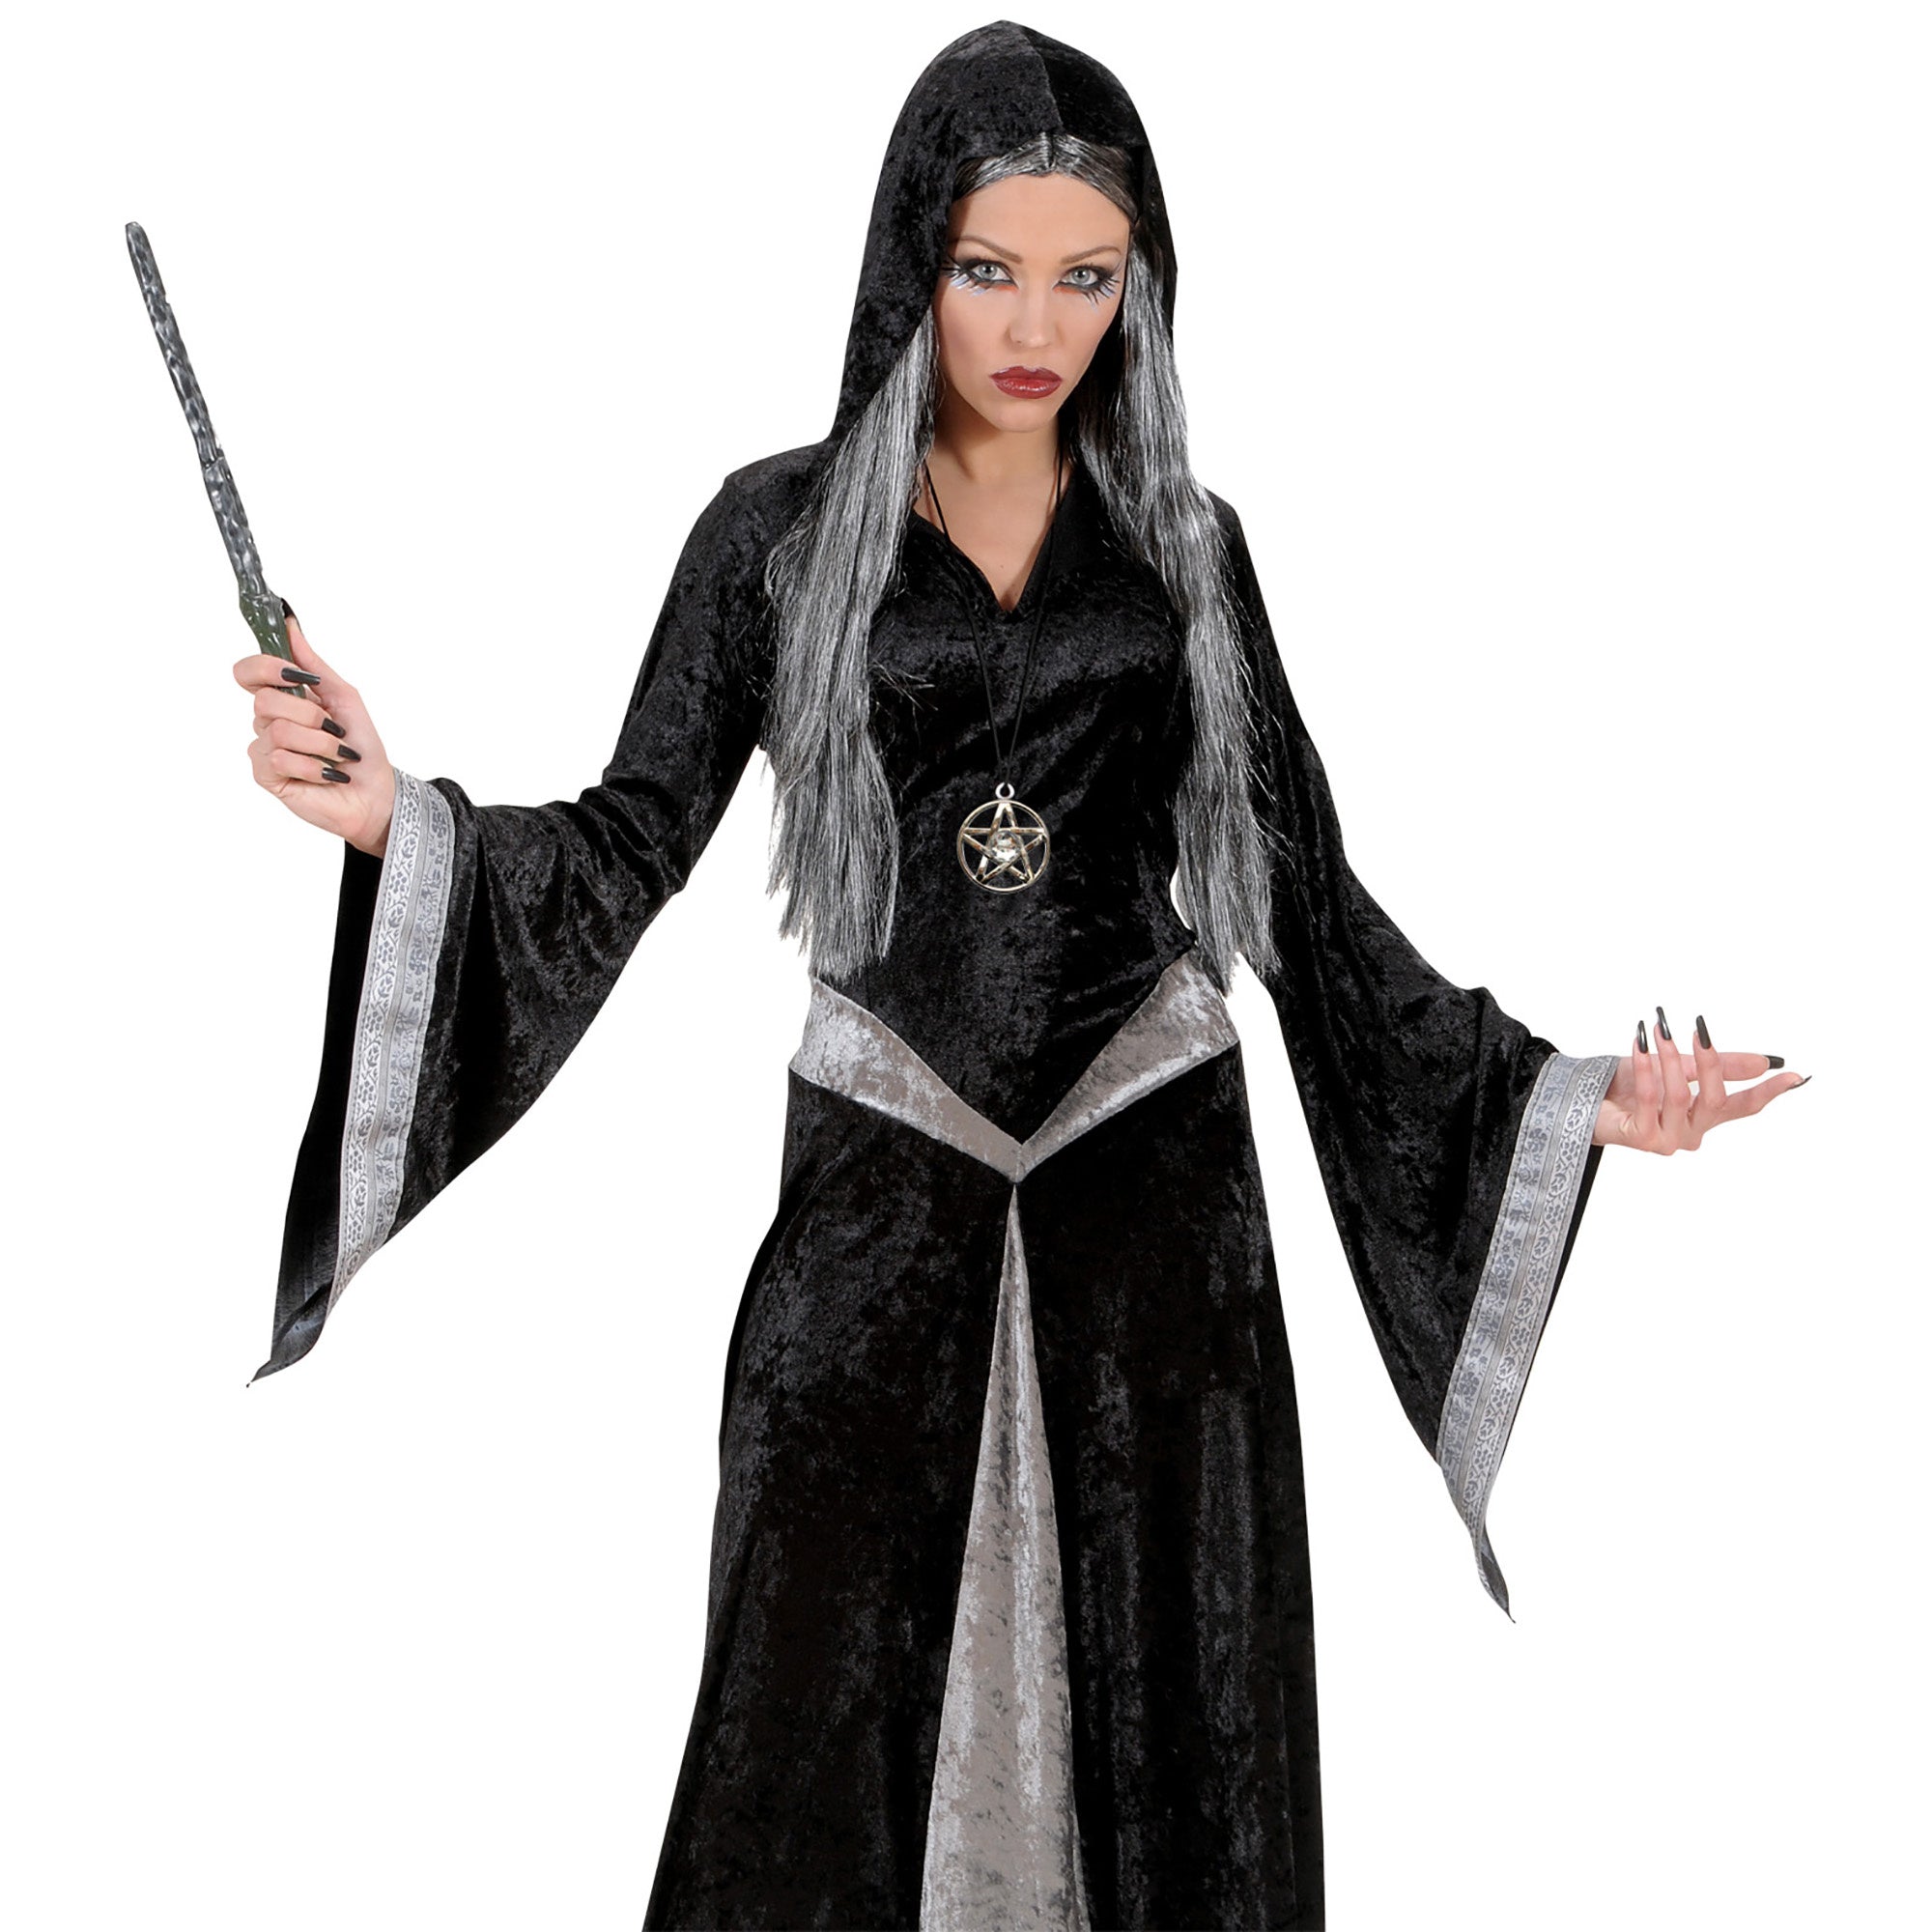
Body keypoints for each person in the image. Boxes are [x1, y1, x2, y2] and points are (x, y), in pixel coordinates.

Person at [229, 21, 1804, 1931]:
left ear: (1142, 282)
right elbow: (630, 839)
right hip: (879, 1187)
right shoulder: (777, 537)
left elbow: (1306, 910)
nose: (1037, 325)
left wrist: (1564, 1096)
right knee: (802, 1706)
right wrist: (398, 819)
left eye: (1088, 275)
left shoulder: (1186, 553)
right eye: (989, 269)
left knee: (1178, 1722)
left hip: (1156, 1197)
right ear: (915, 257)